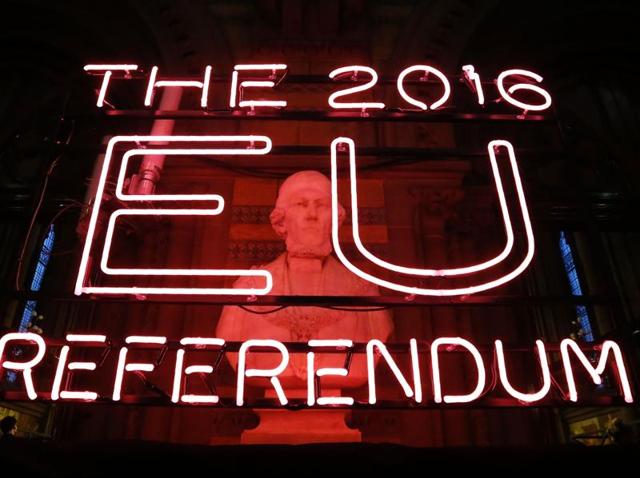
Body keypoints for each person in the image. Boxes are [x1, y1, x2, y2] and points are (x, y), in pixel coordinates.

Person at [216, 170, 393, 389]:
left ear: (335, 218)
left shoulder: (363, 291)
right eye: (301, 204)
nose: (312, 214)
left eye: (321, 205)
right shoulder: (248, 289)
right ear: (281, 220)